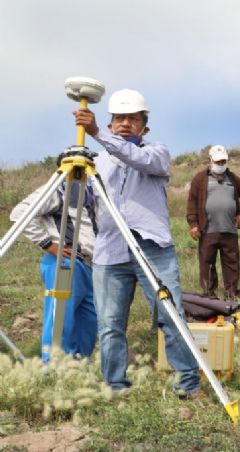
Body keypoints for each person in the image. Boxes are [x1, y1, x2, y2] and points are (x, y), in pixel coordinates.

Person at [73, 89, 200, 397]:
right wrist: (74, 180)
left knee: (172, 317)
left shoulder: (156, 152)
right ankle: (115, 385)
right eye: (119, 119)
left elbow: (137, 159)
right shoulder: (97, 162)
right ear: (112, 122)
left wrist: (97, 133)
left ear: (145, 126)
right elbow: (83, 204)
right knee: (110, 324)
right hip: (109, 251)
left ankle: (188, 384)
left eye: (133, 119)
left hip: (152, 248)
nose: (125, 124)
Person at [10, 178, 98, 363]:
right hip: (66, 262)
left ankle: (79, 369)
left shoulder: (96, 188)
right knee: (60, 321)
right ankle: (54, 369)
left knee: (89, 321)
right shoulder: (61, 188)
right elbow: (20, 213)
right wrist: (47, 243)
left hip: (94, 265)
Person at [186, 145, 240, 300]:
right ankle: (209, 294)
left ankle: (232, 293)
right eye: (218, 161)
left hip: (229, 229)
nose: (221, 164)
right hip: (207, 229)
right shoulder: (200, 179)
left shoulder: (234, 179)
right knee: (207, 262)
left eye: (223, 161)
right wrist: (193, 224)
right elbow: (192, 203)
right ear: (210, 160)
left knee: (232, 262)